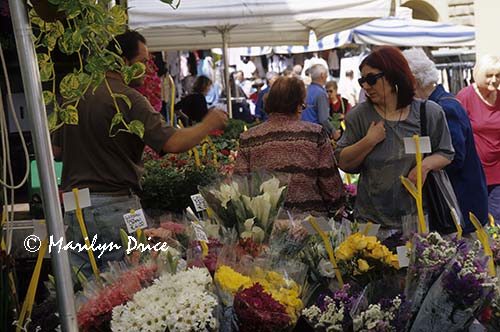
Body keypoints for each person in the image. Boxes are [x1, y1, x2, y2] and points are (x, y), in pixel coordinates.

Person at [52, 30, 227, 276]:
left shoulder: (73, 97)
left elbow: (56, 151)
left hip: (74, 208)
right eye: (143, 61)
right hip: (115, 207)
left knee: (82, 292)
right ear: (124, 62)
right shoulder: (128, 98)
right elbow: (172, 142)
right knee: (123, 288)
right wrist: (208, 124)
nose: (148, 67)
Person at [336, 46, 454, 233]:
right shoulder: (359, 116)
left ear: (393, 76)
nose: (366, 86)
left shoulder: (428, 112)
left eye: (371, 79)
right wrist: (369, 141)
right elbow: (343, 161)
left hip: (417, 221)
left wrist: (424, 166)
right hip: (371, 223)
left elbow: (446, 152)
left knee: (413, 262)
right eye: (362, 80)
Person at [403, 48, 489, 233]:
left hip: (460, 205)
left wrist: (424, 165)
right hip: (459, 204)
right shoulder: (440, 103)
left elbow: (454, 157)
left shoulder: (443, 107)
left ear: (413, 81)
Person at [235, 76, 345, 217]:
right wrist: (337, 210)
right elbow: (331, 186)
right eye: (302, 105)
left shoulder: (249, 138)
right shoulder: (315, 134)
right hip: (311, 225)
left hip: (265, 226)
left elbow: (240, 186)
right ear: (298, 105)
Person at [456, 54, 500, 223]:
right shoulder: (464, 97)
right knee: (476, 222)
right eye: (489, 75)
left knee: (496, 222)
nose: (494, 80)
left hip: (498, 173)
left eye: (498, 76)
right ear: (479, 74)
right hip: (474, 172)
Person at [301, 64, 334, 136]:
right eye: (326, 74)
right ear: (322, 75)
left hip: (303, 131)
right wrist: (333, 131)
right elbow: (323, 119)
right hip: (314, 134)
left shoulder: (305, 91)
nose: (327, 77)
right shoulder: (321, 94)